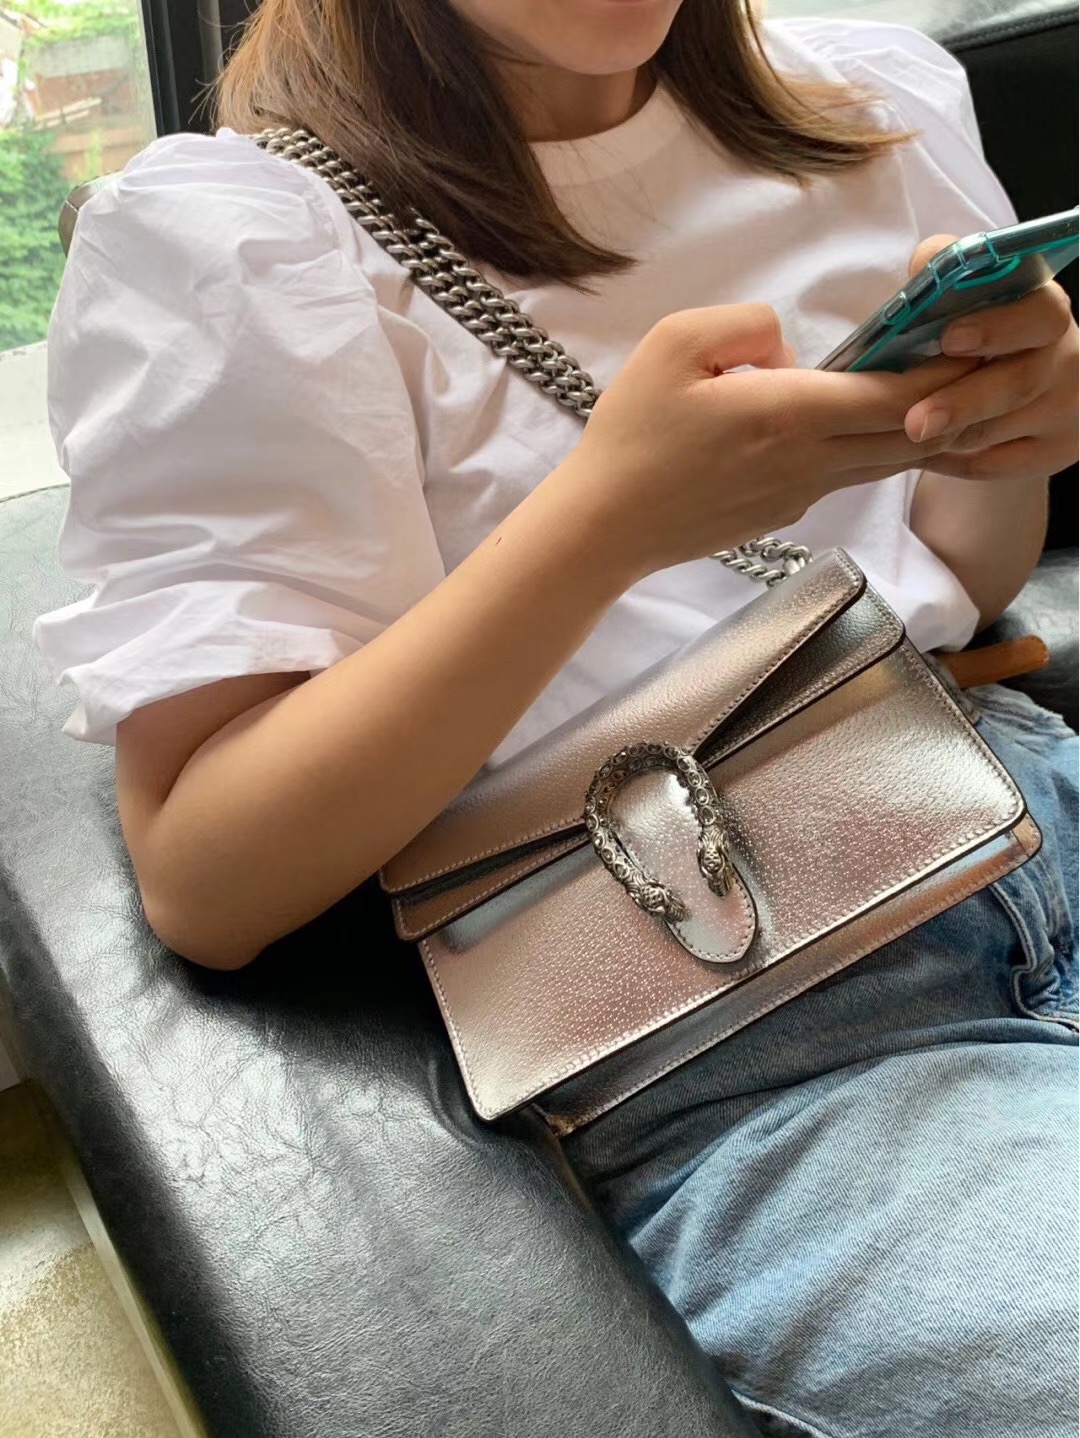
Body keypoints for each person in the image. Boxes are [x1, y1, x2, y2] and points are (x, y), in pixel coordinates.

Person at [35, 2, 1077, 1432]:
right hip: (754, 1026)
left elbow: (953, 585)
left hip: (1012, 792)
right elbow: (210, 874)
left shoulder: (870, 101)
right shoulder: (242, 245)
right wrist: (603, 526)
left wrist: (1006, 436)